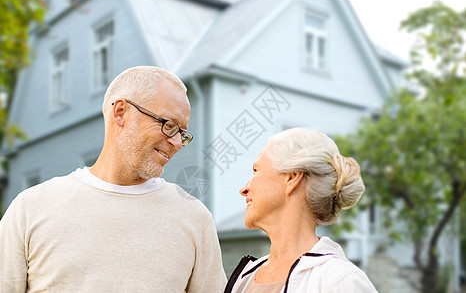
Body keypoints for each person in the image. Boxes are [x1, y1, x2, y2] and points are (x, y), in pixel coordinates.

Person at [0, 66, 226, 292]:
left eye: (183, 134)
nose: (177, 143)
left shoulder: (195, 219)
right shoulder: (30, 209)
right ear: (120, 112)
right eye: (169, 126)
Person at [225, 127, 378, 293]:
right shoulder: (245, 279)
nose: (243, 189)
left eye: (256, 170)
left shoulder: (342, 281)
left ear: (291, 178)